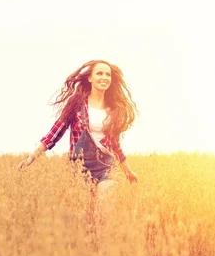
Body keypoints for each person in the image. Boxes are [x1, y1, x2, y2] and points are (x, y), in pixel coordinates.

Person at [17, 60, 139, 195]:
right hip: (81, 167)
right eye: (99, 73)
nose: (104, 77)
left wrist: (128, 171)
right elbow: (55, 132)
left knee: (104, 207)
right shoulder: (77, 103)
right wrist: (31, 157)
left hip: (107, 166)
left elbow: (115, 145)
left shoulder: (113, 109)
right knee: (85, 210)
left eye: (107, 74)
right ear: (90, 78)